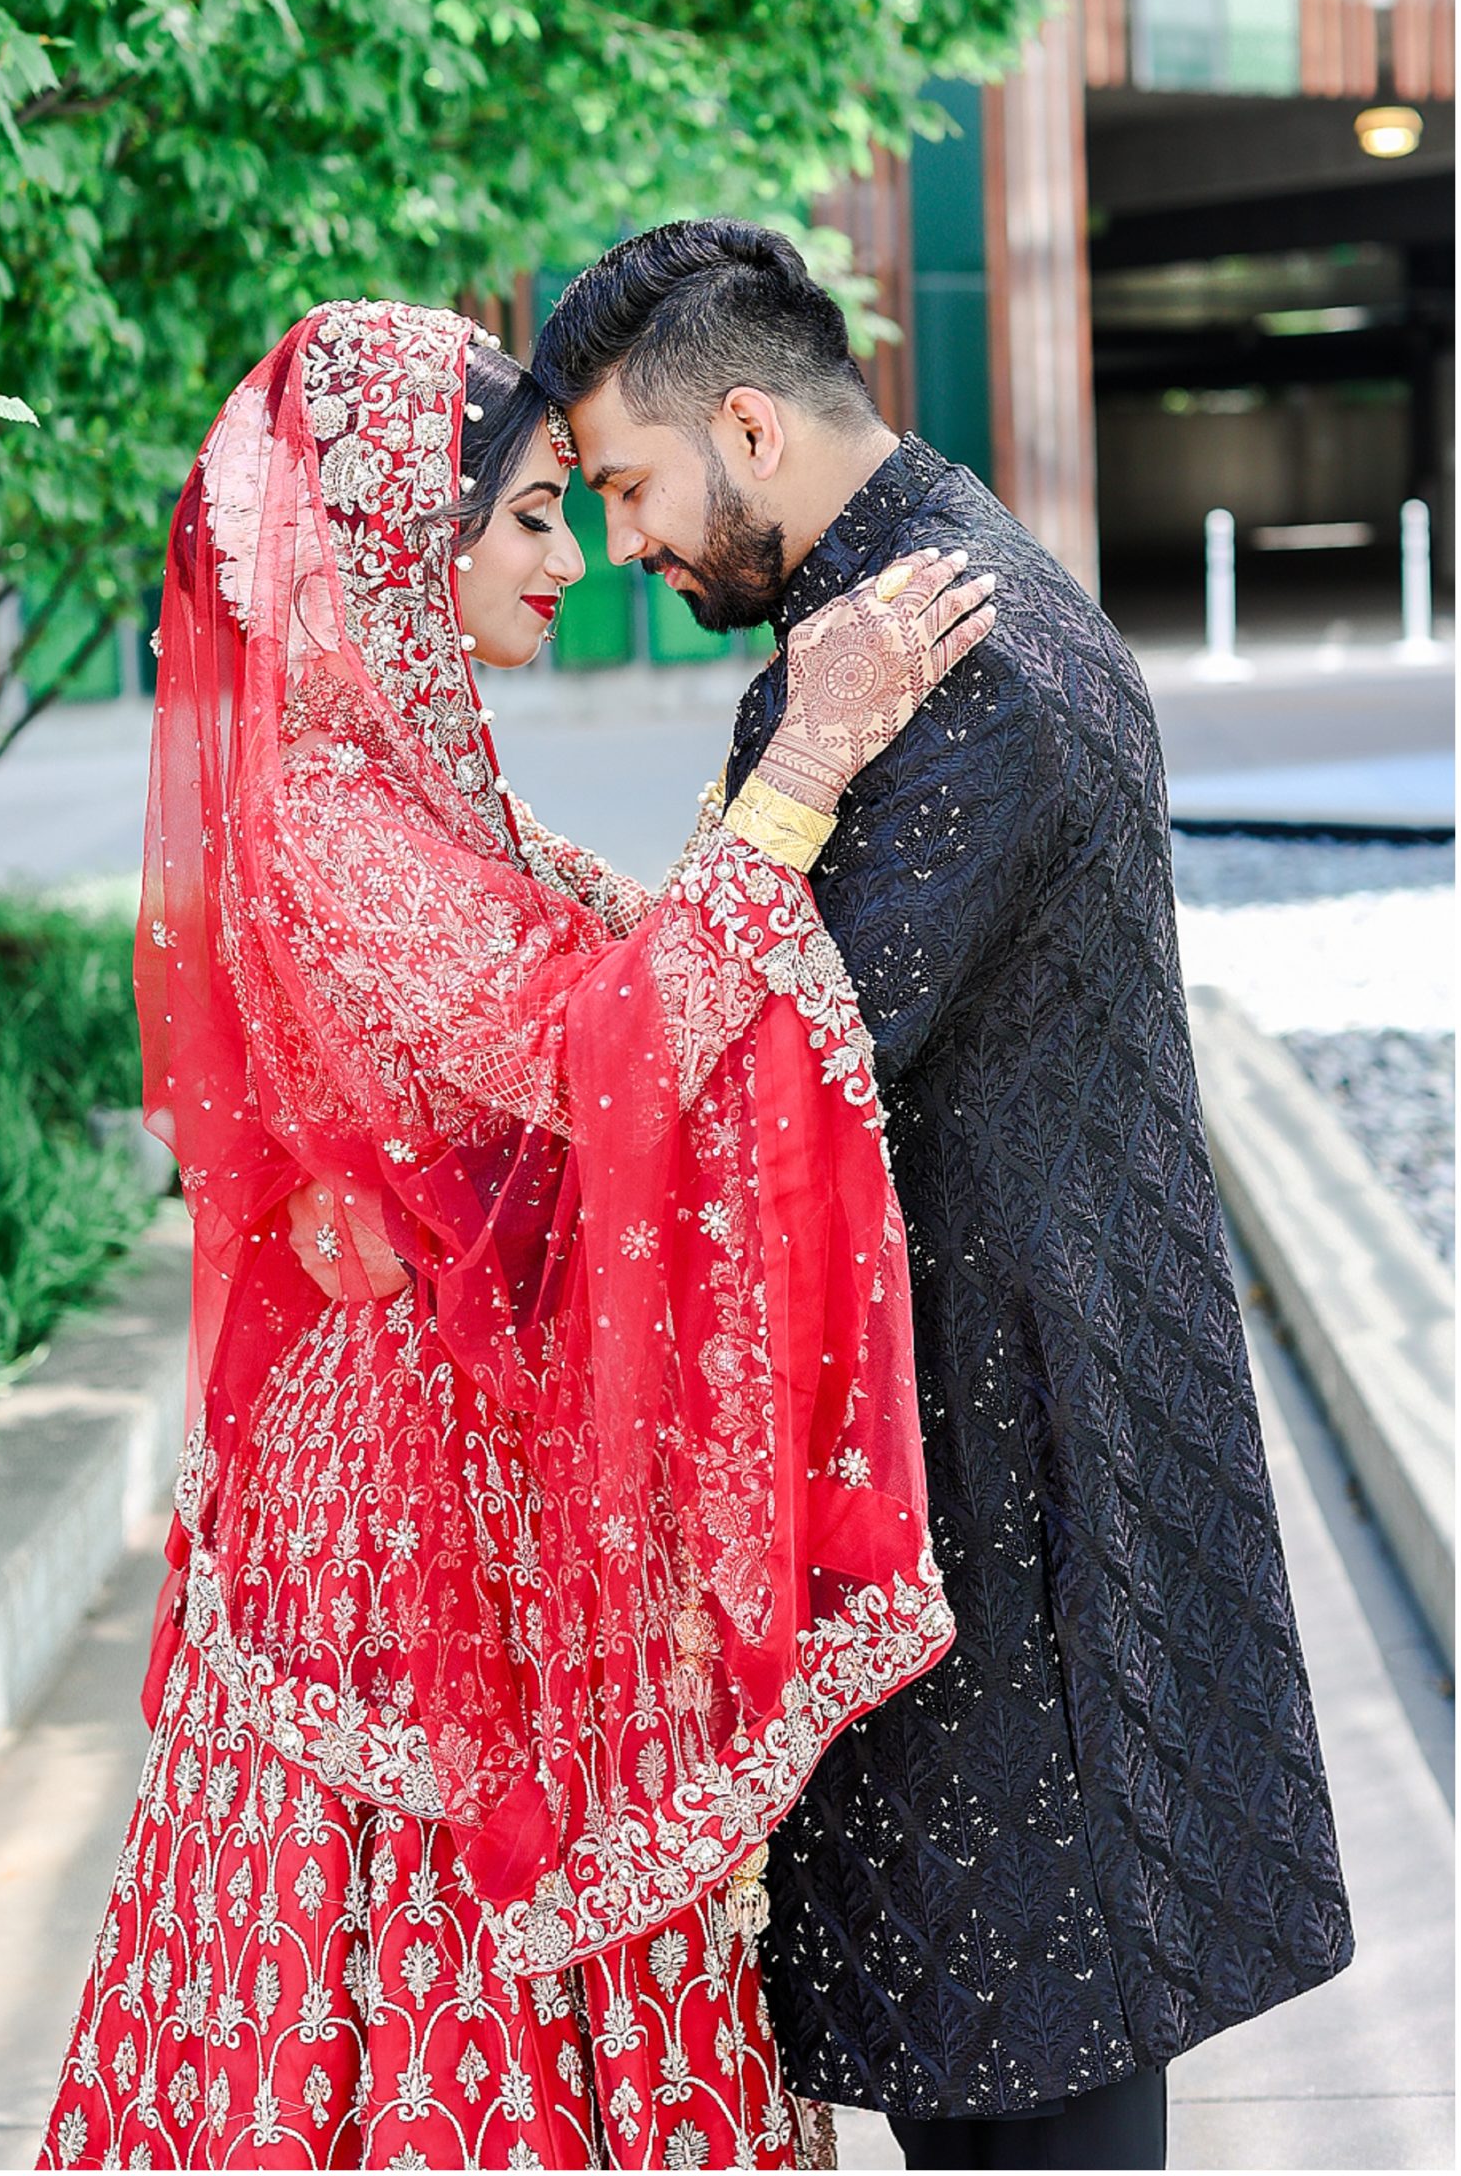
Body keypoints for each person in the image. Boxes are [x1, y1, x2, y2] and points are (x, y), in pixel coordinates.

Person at [38, 299, 996, 2172]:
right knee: (406, 1962)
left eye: (578, 507)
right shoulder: (326, 822)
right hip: (397, 1527)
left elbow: (637, 974)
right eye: (535, 515)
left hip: (478, 1470)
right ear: (407, 537)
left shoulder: (415, 796)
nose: (576, 559)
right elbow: (605, 1051)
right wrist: (810, 756)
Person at [532, 222, 1354, 2175]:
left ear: (748, 418)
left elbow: (755, 1084)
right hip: (1003, 1494)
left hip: (1017, 1530)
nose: (628, 545)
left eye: (633, 486)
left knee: (1036, 2107)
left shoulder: (933, 667)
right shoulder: (939, 596)